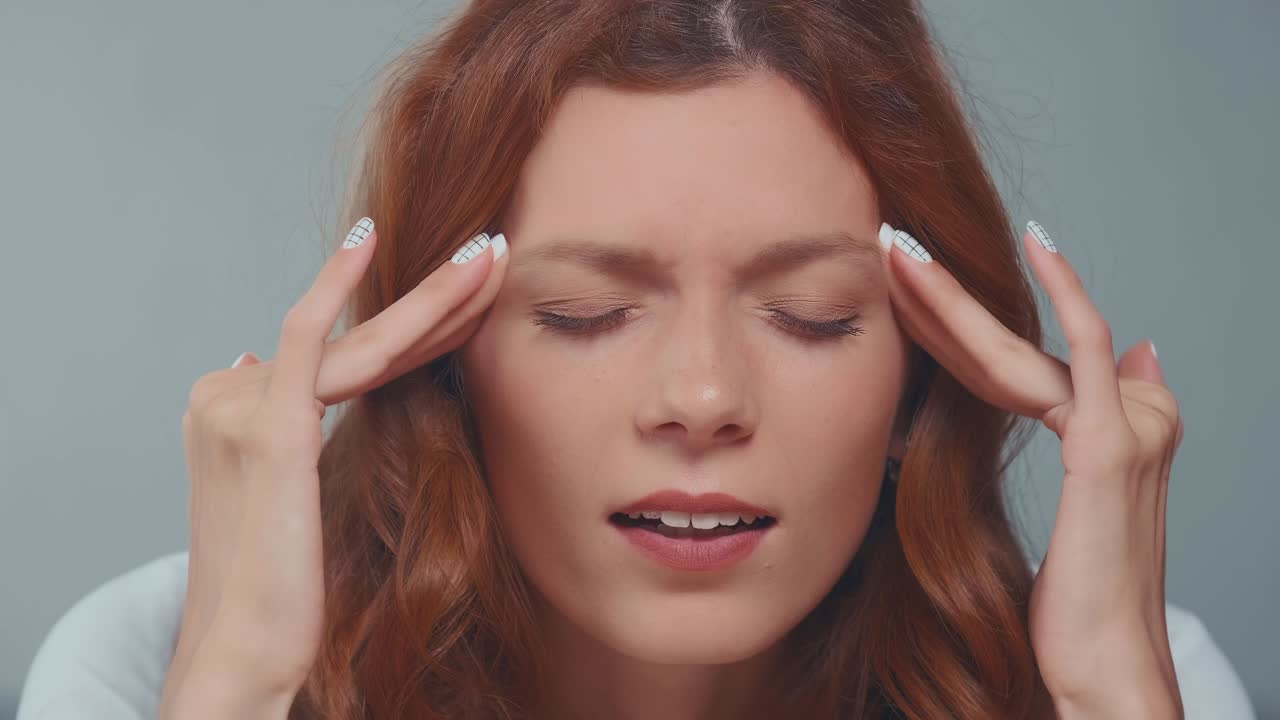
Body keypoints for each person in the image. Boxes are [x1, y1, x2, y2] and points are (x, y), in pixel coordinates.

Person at [16, 1, 1259, 718]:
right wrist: (233, 689)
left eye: (815, 316)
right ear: (442, 364)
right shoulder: (150, 660)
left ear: (922, 381)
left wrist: (1106, 697)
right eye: (584, 314)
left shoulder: (1139, 677)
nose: (703, 401)